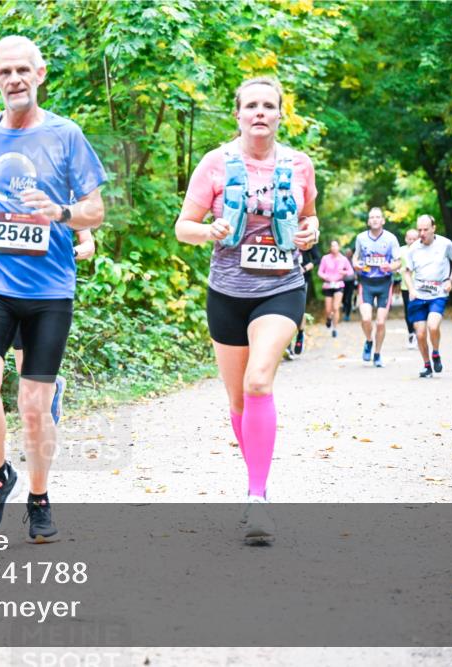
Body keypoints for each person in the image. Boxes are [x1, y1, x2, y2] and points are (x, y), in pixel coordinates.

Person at [0, 36, 106, 542]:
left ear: (40, 75)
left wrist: (61, 214)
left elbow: (94, 210)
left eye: (23, 70)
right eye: (5, 71)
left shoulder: (66, 135)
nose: (14, 79)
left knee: (35, 404)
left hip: (50, 292)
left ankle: (38, 497)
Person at [175, 76, 319, 544]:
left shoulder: (300, 165)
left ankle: (257, 498)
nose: (260, 112)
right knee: (238, 400)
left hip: (282, 286)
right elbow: (183, 228)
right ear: (237, 113)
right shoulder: (215, 163)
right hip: (228, 292)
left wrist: (310, 231)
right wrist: (211, 230)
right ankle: (254, 476)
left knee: (260, 380)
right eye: (251, 105)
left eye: (268, 105)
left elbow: (310, 215)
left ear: (280, 114)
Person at [11, 230, 96, 428]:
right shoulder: (11, 201)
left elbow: (89, 246)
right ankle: (55, 385)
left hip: (52, 292)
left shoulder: (70, 202)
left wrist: (68, 252)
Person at [405, 214, 452, 378]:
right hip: (419, 295)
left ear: (433, 228)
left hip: (438, 293)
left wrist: (450, 280)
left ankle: (435, 353)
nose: (422, 233)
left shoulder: (445, 244)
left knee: (433, 326)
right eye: (419, 229)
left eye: (425, 229)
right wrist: (411, 289)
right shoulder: (413, 248)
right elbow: (407, 272)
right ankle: (427, 365)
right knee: (421, 334)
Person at [353, 207, 401, 367]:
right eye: (372, 217)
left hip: (384, 283)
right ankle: (368, 341)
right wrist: (356, 265)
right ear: (368, 221)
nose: (374, 219)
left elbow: (398, 261)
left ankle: (377, 354)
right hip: (366, 283)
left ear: (383, 220)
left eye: (377, 217)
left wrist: (391, 266)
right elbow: (355, 257)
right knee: (366, 318)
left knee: (380, 322)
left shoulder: (391, 239)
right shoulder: (361, 238)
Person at [317, 239, 354, 338]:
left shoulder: (344, 259)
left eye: (336, 246)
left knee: (336, 307)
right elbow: (320, 272)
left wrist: (344, 273)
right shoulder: (325, 258)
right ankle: (329, 318)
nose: (334, 248)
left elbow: (351, 271)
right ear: (330, 248)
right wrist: (325, 277)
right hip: (328, 285)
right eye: (332, 246)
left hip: (339, 284)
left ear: (339, 247)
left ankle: (335, 328)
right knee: (328, 309)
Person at [289, 243, 321, 357]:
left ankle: (300, 334)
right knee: (287, 310)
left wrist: (305, 268)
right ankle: (287, 345)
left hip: (302, 278)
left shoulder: (306, 233)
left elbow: (317, 258)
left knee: (299, 310)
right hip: (283, 277)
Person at [398, 228, 419, 349]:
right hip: (406, 286)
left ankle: (419, 333)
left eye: (414, 239)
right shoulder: (401, 251)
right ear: (406, 239)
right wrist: (397, 269)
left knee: (419, 310)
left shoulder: (423, 250)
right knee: (409, 311)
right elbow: (396, 264)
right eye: (409, 238)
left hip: (421, 286)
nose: (411, 241)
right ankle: (411, 333)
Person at [341, 247, 357, 321]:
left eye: (349, 253)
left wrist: (356, 275)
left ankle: (347, 314)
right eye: (347, 253)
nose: (348, 254)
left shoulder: (354, 261)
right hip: (343, 281)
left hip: (351, 281)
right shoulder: (342, 261)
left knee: (349, 298)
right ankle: (344, 306)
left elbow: (357, 269)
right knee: (343, 298)